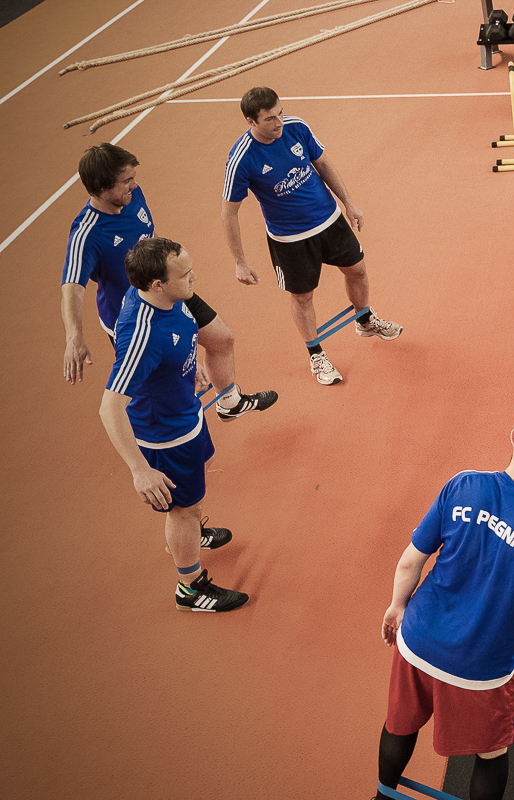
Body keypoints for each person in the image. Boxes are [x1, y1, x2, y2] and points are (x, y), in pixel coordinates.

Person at [376, 398, 514, 800]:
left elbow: (410, 564)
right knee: (492, 754)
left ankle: (383, 796)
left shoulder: (463, 484)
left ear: (512, 437)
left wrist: (396, 607)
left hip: (417, 640)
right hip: (479, 669)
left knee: (399, 724)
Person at [64, 143, 276, 420]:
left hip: (169, 291)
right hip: (135, 317)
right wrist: (74, 337)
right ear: (101, 187)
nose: (133, 185)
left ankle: (229, 402)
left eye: (132, 178)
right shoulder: (87, 234)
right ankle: (164, 446)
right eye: (126, 181)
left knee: (222, 339)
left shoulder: (132, 196)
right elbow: (72, 288)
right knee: (167, 385)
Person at [99, 238, 251, 613]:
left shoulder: (170, 299)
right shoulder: (141, 334)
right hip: (166, 437)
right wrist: (140, 471)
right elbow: (109, 407)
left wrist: (186, 364)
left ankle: (190, 534)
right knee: (182, 508)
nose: (193, 277)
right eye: (184, 275)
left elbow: (180, 339)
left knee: (190, 503)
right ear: (158, 285)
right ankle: (191, 588)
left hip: (187, 413)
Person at [222, 86, 402, 386]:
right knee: (303, 296)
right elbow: (229, 212)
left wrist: (349, 203)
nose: (279, 122)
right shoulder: (242, 158)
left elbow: (323, 164)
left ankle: (365, 319)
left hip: (329, 220)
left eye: (280, 113)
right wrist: (239, 261)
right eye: (270, 119)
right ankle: (315, 354)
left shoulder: (296, 127)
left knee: (357, 270)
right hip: (290, 238)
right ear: (251, 122)